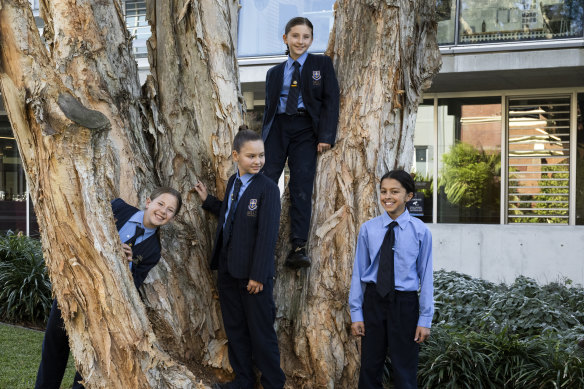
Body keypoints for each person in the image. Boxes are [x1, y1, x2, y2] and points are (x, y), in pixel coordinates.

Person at [35, 187, 182, 389]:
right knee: (54, 346)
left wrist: (127, 264)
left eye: (170, 210)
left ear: (172, 218)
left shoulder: (153, 251)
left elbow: (133, 286)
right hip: (73, 289)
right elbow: (83, 228)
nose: (163, 211)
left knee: (91, 359)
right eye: (161, 204)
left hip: (102, 308)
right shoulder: (118, 207)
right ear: (148, 202)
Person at [193, 128, 285, 389]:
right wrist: (209, 201)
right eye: (251, 156)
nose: (257, 161)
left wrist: (258, 275)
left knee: (261, 333)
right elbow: (231, 212)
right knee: (235, 330)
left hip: (253, 277)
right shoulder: (234, 182)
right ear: (236, 156)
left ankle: (273, 383)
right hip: (227, 271)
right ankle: (244, 380)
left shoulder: (267, 189)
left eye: (261, 156)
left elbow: (267, 236)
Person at [262, 16, 340, 269]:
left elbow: (331, 101)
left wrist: (325, 136)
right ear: (286, 39)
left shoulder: (321, 64)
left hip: (306, 129)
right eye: (295, 36)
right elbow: (268, 110)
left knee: (301, 185)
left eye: (306, 37)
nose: (300, 41)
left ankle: (298, 247)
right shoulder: (274, 73)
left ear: (311, 39)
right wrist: (262, 139)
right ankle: (259, 234)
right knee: (265, 179)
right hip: (278, 129)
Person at [349, 170, 433, 389]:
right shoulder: (368, 229)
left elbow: (426, 275)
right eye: (384, 191)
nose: (388, 196)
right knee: (369, 367)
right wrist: (356, 313)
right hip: (373, 301)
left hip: (405, 304)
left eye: (395, 192)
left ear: (409, 196)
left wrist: (425, 319)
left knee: (405, 370)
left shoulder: (420, 231)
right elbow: (359, 273)